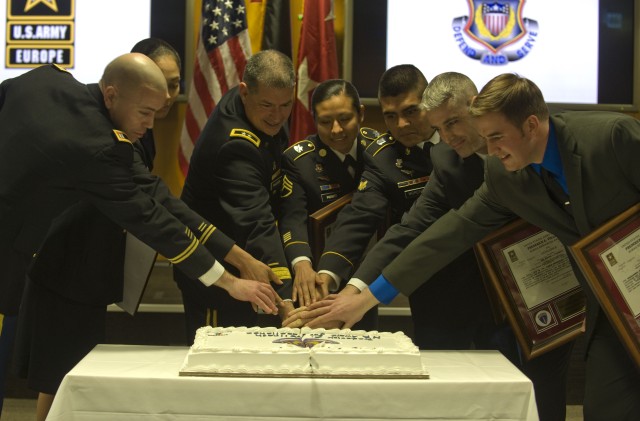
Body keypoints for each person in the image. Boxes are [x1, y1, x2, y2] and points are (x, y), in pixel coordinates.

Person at [299, 73, 640, 421]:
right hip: (608, 310)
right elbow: (449, 232)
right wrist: (368, 297)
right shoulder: (502, 175)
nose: (488, 150)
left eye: (495, 137)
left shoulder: (611, 137)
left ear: (531, 125)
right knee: (604, 409)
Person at [0, 53, 280, 417]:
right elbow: (151, 221)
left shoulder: (45, 79)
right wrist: (228, 282)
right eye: (144, 113)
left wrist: (238, 256)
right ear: (112, 95)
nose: (150, 125)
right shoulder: (98, 149)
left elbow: (157, 194)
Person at [175, 50, 296, 341]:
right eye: (267, 105)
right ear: (244, 92)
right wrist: (288, 303)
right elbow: (258, 221)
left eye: (285, 105)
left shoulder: (258, 106)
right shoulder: (234, 147)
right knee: (216, 364)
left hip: (249, 267)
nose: (277, 116)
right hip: (215, 273)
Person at [280, 79, 378, 306]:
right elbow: (292, 218)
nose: (336, 130)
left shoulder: (379, 150)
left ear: (361, 114)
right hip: (314, 276)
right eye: (325, 122)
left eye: (345, 119)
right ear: (314, 121)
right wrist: (302, 264)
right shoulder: (299, 161)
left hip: (366, 273)